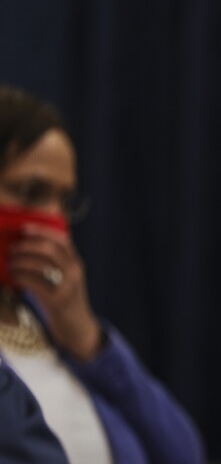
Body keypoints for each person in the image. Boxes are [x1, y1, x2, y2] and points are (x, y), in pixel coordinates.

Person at [0, 84, 205, 464]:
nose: (54, 221)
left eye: (65, 201)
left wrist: (87, 339)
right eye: (32, 193)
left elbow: (184, 452)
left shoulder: (53, 324)